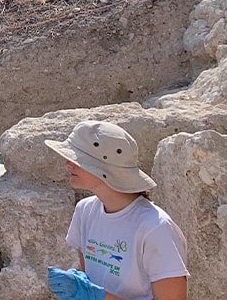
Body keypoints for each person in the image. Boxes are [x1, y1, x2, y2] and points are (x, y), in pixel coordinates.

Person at [45, 121, 189, 300]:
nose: (68, 164)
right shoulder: (85, 211)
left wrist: (98, 297)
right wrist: (79, 287)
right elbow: (92, 279)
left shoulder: (156, 228)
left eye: (77, 158)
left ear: (105, 168)